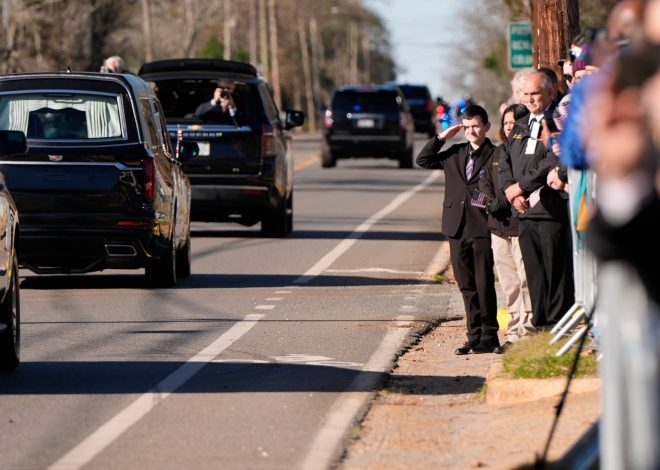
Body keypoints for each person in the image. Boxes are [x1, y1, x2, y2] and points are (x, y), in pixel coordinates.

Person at [417, 104, 500, 355]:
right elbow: (423, 160)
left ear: (486, 126)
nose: (472, 131)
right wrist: (442, 137)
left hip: (482, 225)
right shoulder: (455, 152)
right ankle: (473, 335)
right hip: (456, 226)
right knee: (466, 284)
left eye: (476, 126)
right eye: (467, 127)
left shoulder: (495, 155)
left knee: (484, 282)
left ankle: (490, 334)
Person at [499, 71, 575, 329]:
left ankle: (558, 327)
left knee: (556, 273)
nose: (530, 99)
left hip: (550, 210)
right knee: (535, 275)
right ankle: (540, 328)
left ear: (551, 93)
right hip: (524, 213)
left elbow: (551, 161)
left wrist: (522, 186)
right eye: (526, 94)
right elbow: (505, 161)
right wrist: (511, 190)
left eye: (535, 94)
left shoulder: (557, 123)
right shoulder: (520, 125)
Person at [479, 103, 534, 353]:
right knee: (509, 284)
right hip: (498, 228)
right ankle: (513, 332)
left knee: (526, 282)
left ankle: (528, 332)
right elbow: (483, 188)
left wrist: (503, 200)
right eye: (506, 123)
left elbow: (527, 182)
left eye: (514, 122)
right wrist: (491, 203)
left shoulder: (530, 150)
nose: (510, 127)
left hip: (521, 225)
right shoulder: (497, 153)